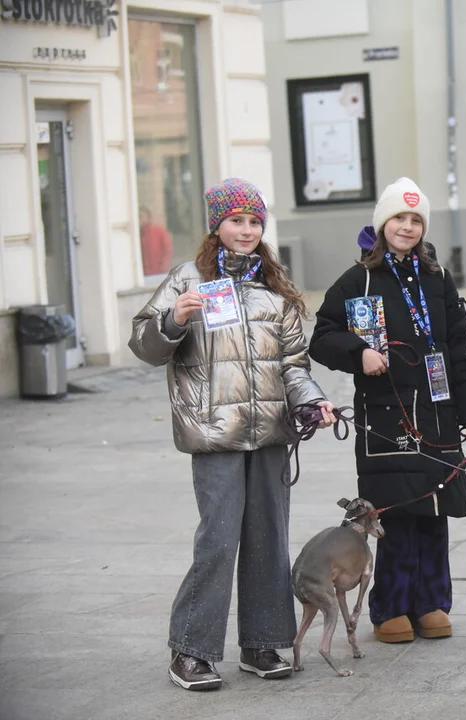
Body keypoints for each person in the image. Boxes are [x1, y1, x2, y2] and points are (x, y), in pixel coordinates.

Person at [128, 178, 335, 691]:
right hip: (214, 433)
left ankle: (262, 643)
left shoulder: (275, 286)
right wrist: (173, 320)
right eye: (236, 220)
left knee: (269, 539)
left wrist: (312, 400)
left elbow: (293, 361)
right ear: (215, 225)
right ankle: (191, 651)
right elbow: (143, 344)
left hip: (270, 434)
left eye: (254, 221)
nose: (245, 230)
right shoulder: (186, 279)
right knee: (218, 542)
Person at [309, 178, 466, 644]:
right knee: (395, 515)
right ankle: (390, 607)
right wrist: (358, 352)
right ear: (382, 222)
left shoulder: (438, 278)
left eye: (415, 220)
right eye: (398, 218)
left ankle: (431, 602)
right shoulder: (359, 279)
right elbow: (323, 336)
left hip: (438, 408)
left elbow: (458, 348)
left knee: (435, 511)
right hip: (386, 415)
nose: (407, 227)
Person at [139, 206, 174, 276]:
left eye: (141, 217)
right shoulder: (138, 234)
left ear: (148, 218)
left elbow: (167, 248)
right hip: (145, 273)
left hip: (159, 271)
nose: (140, 220)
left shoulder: (159, 231)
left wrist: (165, 265)